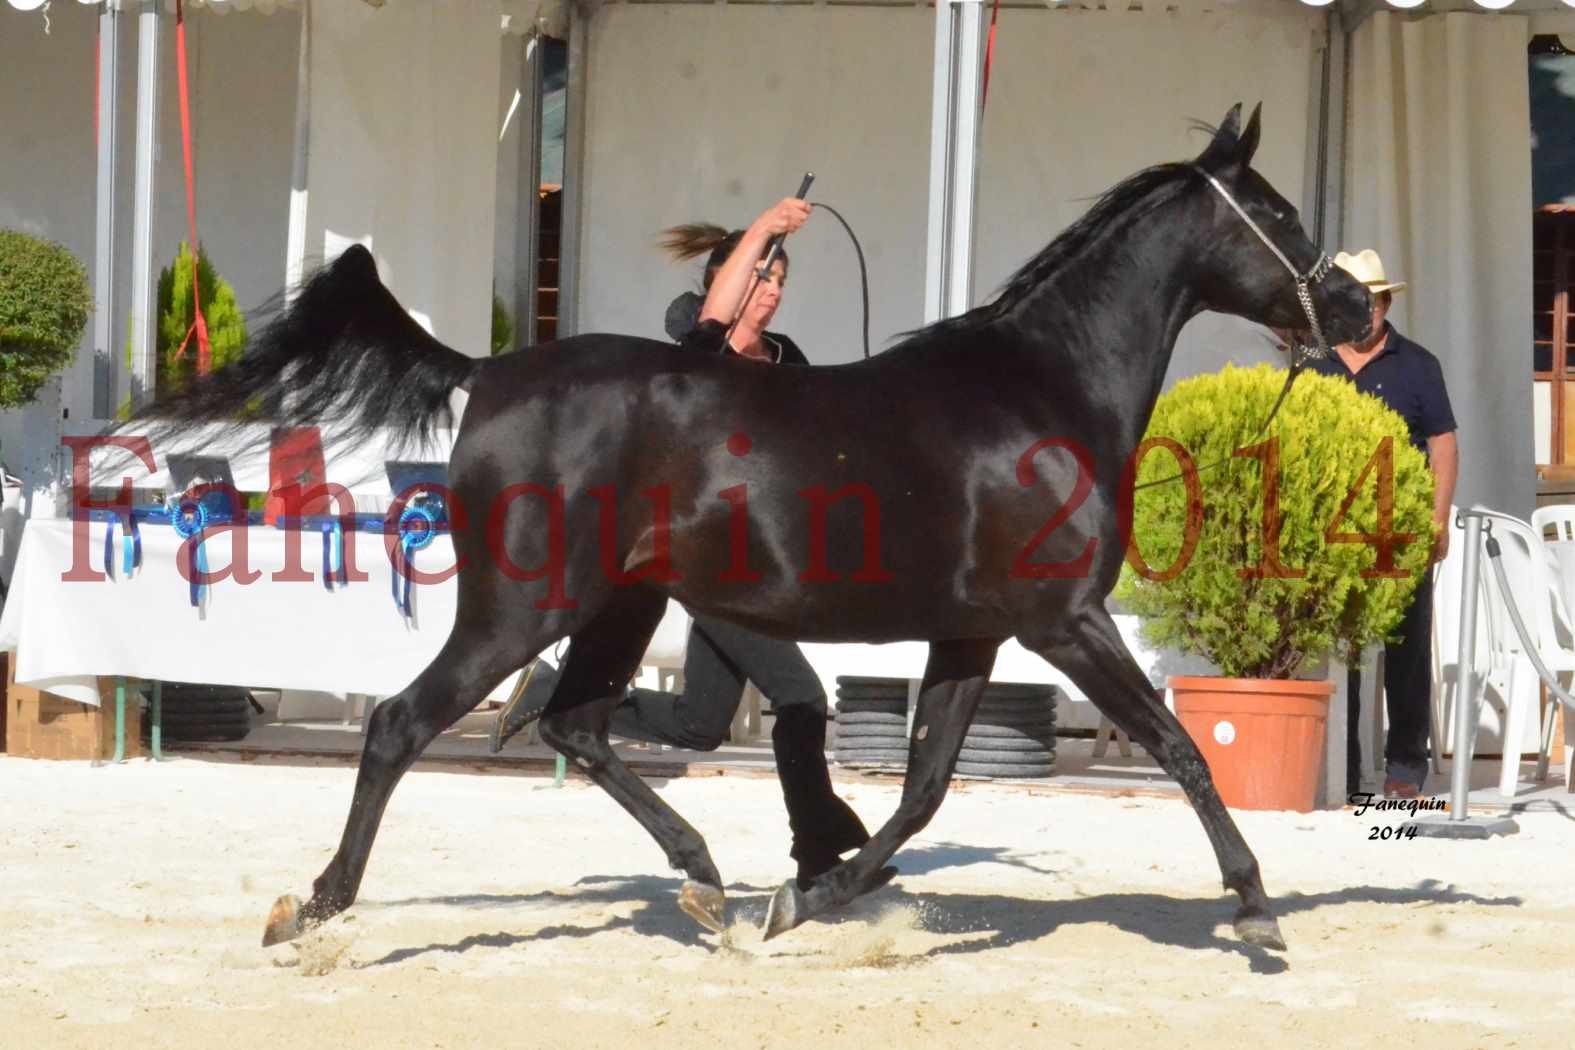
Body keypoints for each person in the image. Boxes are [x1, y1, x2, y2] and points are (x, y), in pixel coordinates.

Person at [490, 197, 872, 886]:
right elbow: (715, 316)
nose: (773, 294)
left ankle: (552, 696)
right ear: (726, 282)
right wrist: (764, 228)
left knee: (701, 726)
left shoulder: (788, 362)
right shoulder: (704, 355)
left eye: (781, 281)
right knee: (801, 699)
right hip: (711, 560)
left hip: (758, 561)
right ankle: (817, 852)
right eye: (761, 279)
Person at [1302, 249, 1459, 801]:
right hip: (1329, 536)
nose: (1363, 312)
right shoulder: (1314, 365)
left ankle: (1405, 764)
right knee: (1336, 649)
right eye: (1352, 301)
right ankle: (1342, 765)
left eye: (1371, 301)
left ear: (1386, 303)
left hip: (1402, 529)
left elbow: (1442, 442)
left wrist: (1438, 519)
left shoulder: (1419, 364)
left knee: (1406, 648)